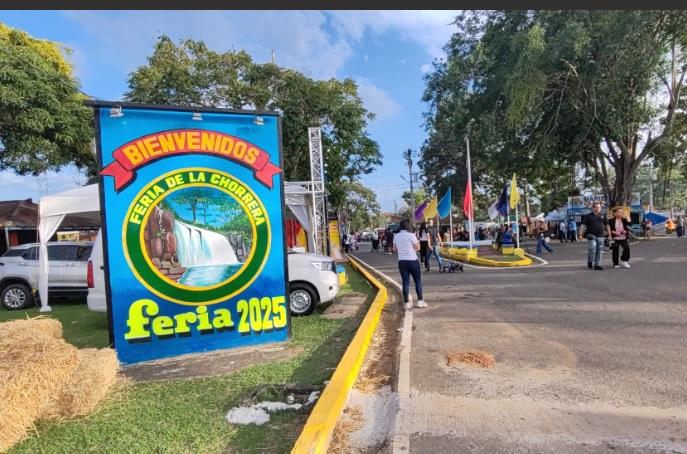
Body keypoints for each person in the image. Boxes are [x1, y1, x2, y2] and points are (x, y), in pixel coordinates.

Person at [393, 219, 427, 310]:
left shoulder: (396, 236)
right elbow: (418, 248)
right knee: (417, 281)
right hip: (412, 260)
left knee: (405, 283)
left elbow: (394, 249)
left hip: (402, 261)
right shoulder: (411, 235)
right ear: (408, 226)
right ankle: (420, 301)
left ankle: (406, 303)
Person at [581, 202, 607, 270]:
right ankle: (590, 261)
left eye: (599, 207)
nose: (598, 208)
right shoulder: (588, 216)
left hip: (601, 235)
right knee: (592, 248)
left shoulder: (603, 216)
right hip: (591, 235)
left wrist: (609, 235)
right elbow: (582, 225)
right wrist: (580, 234)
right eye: (596, 207)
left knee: (599, 251)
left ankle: (597, 265)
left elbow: (607, 225)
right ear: (593, 208)